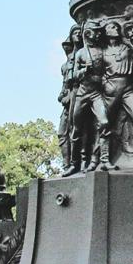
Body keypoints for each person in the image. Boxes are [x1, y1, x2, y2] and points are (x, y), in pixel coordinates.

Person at [63, 19, 110, 175]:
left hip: (97, 93)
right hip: (83, 93)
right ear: (88, 33)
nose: (98, 35)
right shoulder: (81, 53)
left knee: (104, 122)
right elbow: (73, 76)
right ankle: (74, 163)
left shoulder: (102, 51)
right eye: (95, 32)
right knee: (76, 130)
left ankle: (104, 160)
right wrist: (84, 71)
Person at [101, 20, 133, 167]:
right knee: (104, 123)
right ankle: (103, 160)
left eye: (116, 26)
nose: (115, 29)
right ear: (105, 32)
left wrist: (130, 44)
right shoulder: (102, 52)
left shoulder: (126, 48)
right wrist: (105, 83)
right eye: (111, 27)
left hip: (127, 88)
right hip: (111, 89)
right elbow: (97, 72)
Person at [57, 24, 82, 173]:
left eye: (80, 33)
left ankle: (76, 164)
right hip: (68, 100)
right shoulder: (66, 64)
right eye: (75, 34)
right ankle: (67, 166)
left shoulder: (87, 53)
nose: (77, 36)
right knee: (62, 133)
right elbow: (64, 84)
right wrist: (62, 95)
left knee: (77, 131)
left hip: (80, 94)